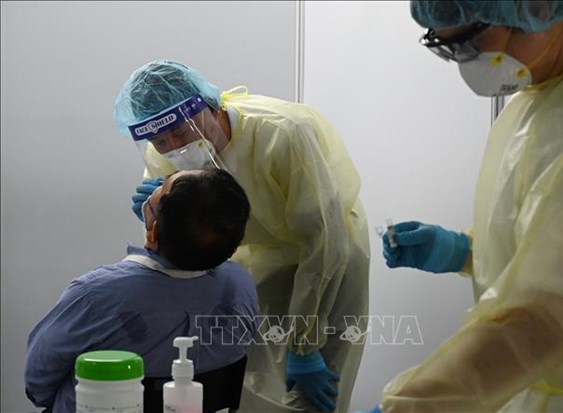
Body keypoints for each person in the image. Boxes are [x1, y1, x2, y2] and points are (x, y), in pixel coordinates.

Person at [364, 1, 563, 412]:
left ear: (536, 6)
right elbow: (554, 245)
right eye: (448, 49)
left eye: (469, 41)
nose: (468, 63)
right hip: (534, 389)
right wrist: (462, 250)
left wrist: (406, 407)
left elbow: (543, 316)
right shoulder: (532, 103)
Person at [113, 60, 371, 413]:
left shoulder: (283, 133)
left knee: (315, 389)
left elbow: (322, 240)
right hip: (254, 260)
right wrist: (155, 217)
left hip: (327, 258)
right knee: (250, 381)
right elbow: (175, 239)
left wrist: (306, 347)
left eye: (182, 132)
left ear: (209, 105)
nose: (174, 146)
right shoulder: (165, 156)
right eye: (159, 140)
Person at [24, 169, 259, 413]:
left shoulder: (94, 295)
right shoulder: (242, 284)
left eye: (162, 187)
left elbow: (37, 383)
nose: (156, 185)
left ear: (153, 230)